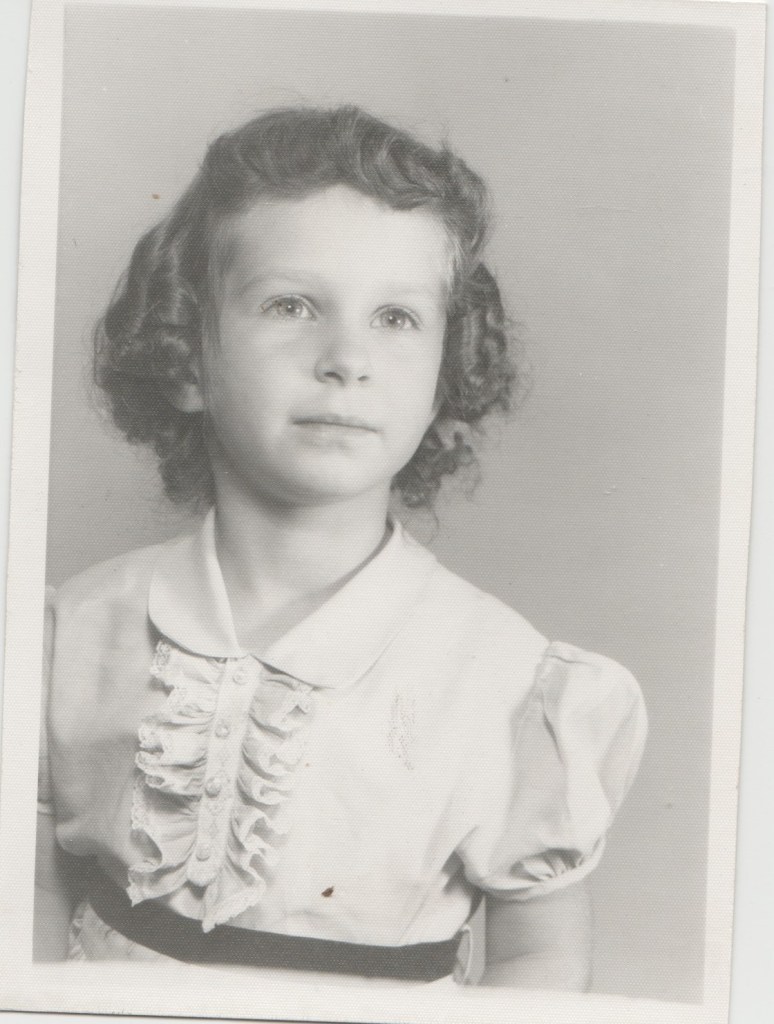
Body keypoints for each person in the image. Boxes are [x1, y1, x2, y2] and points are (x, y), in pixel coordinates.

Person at [35, 105, 647, 989]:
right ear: (186, 356)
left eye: (396, 317)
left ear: (444, 375)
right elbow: (30, 901)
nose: (347, 358)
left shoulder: (509, 680)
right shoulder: (76, 633)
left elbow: (538, 956)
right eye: (291, 305)